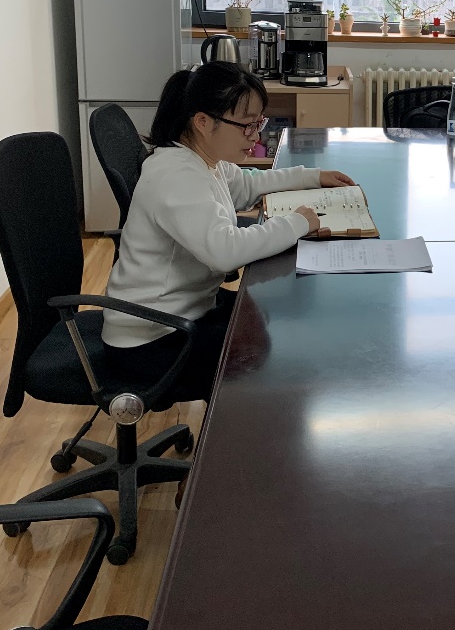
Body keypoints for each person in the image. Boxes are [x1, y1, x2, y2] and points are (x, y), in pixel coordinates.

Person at [102, 61, 354, 393]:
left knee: (271, 321)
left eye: (258, 123)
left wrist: (312, 176)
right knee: (280, 358)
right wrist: (295, 223)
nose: (256, 136)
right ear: (203, 122)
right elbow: (224, 252)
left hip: (186, 309)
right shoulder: (176, 175)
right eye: (247, 126)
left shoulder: (203, 158)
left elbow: (247, 185)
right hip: (151, 337)